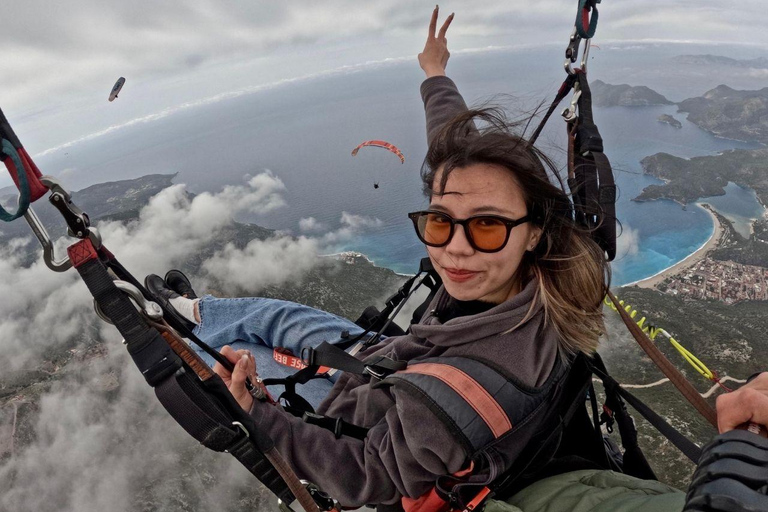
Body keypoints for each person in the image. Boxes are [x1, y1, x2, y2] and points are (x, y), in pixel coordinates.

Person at [145, 7, 766, 511]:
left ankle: (172, 322)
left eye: (487, 229)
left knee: (240, 360)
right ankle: (190, 308)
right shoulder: (556, 270)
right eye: (440, 222)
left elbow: (367, 474)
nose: (455, 248)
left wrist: (259, 416)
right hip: (397, 364)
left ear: (533, 232)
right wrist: (434, 73)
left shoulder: (472, 390)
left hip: (388, 405)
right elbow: (457, 149)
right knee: (282, 318)